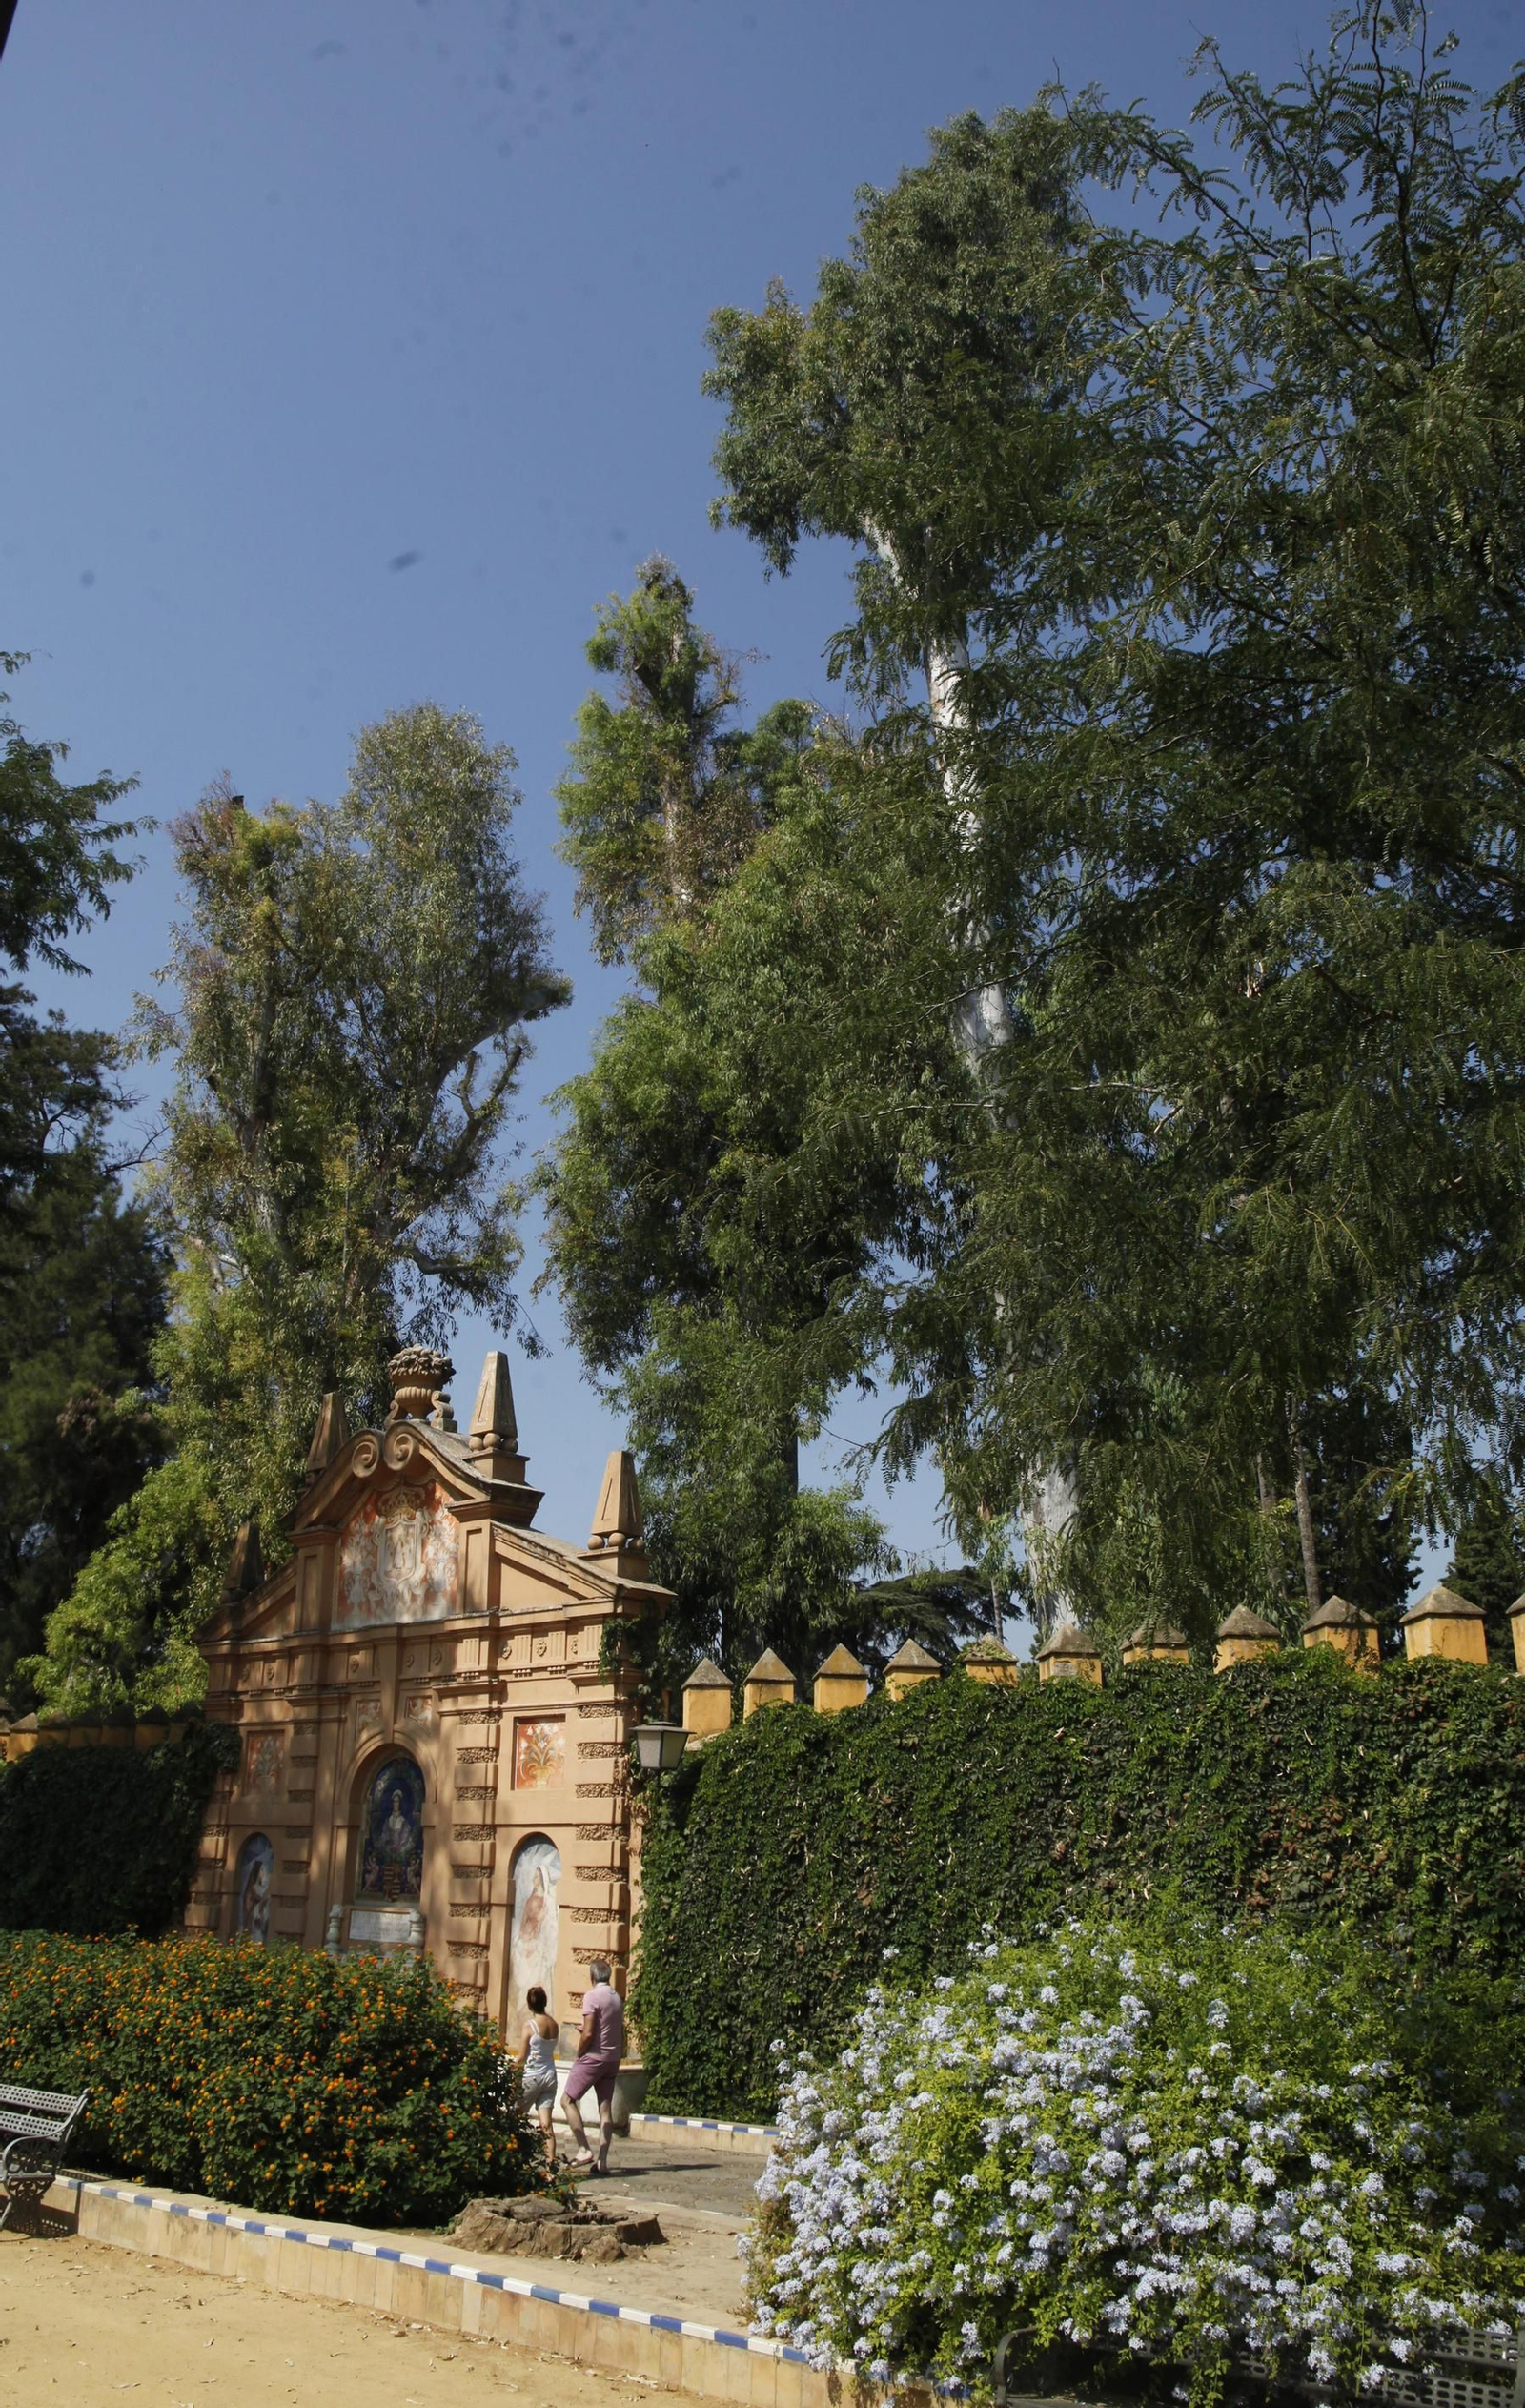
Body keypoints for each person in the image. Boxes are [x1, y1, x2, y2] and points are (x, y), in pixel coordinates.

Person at [561, 1959, 624, 2175]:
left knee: (567, 2100)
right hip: (612, 2058)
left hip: (594, 2057)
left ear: (592, 1976)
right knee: (605, 2109)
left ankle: (583, 2148)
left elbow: (588, 2033)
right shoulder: (616, 1997)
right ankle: (603, 2161)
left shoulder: (591, 1996)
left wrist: (579, 2053)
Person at [516, 1984, 559, 2169]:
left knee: (514, 2116)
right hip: (550, 2076)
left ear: (529, 2005)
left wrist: (513, 2079)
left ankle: (515, 2159)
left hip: (533, 2076)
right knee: (546, 2124)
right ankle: (551, 2167)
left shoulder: (530, 2025)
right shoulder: (554, 2024)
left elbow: (521, 2058)